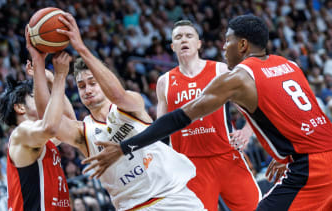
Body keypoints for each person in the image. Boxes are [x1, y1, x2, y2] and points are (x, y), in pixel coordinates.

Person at [82, 15, 332, 211]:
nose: (223, 47)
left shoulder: (235, 77)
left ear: (242, 45)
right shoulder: (290, 65)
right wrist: (286, 154)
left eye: (228, 41)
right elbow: (306, 117)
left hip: (307, 168)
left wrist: (125, 147)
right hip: (315, 156)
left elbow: (179, 117)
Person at [45, 12, 204, 211]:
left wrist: (81, 48)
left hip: (173, 198)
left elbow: (118, 95)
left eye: (93, 83)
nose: (88, 89)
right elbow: (50, 126)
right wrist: (57, 78)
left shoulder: (129, 104)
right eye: (82, 86)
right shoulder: (82, 131)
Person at [151, 20, 260, 210]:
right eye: (178, 37)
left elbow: (254, 104)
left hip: (227, 157)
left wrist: (247, 131)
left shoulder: (220, 70)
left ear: (199, 43)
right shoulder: (164, 82)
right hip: (189, 166)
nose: (183, 39)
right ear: (173, 46)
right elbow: (160, 130)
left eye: (188, 35)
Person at [0, 49, 73, 210]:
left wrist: (52, 79)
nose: (39, 96)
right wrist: (60, 77)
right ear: (19, 107)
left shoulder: (40, 139)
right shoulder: (21, 133)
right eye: (33, 96)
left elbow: (70, 124)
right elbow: (51, 127)